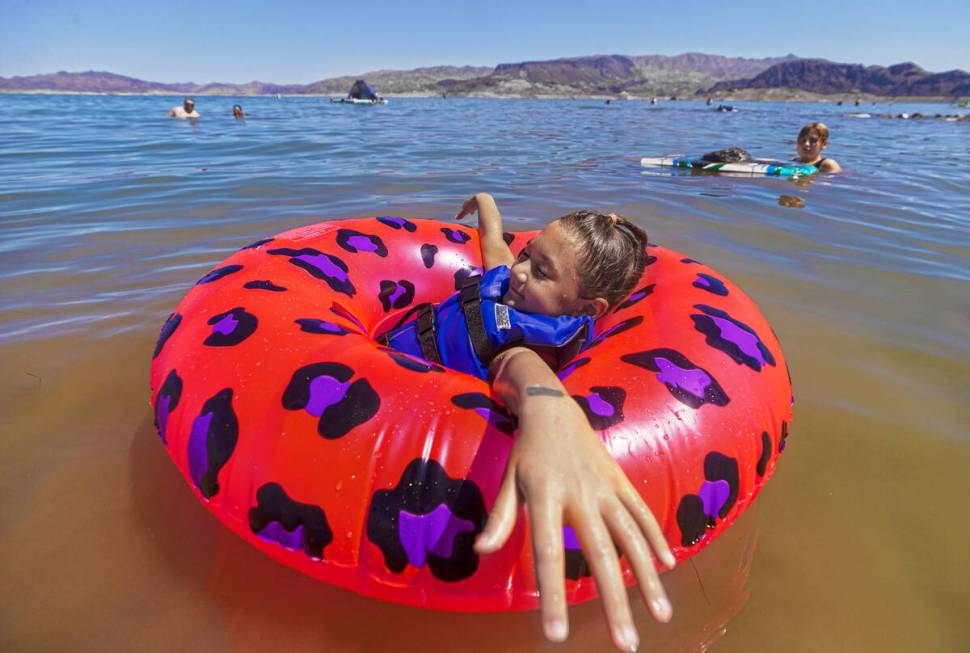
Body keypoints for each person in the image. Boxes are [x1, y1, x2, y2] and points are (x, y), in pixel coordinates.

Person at [380, 193, 675, 652]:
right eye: (528, 255)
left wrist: (550, 412)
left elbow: (521, 372)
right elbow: (495, 247)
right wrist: (486, 204)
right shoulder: (514, 287)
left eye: (541, 271)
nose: (519, 272)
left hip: (395, 398)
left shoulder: (532, 347)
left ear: (585, 309)